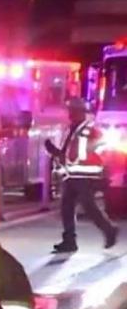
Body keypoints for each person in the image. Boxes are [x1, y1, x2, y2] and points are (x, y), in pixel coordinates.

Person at [45, 97, 118, 253]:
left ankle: (109, 230)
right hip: (72, 175)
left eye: (73, 111)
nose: (70, 114)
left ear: (81, 112)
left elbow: (103, 151)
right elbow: (67, 154)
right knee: (67, 207)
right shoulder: (71, 130)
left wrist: (104, 170)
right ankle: (69, 240)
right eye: (70, 111)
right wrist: (54, 151)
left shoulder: (91, 130)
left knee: (89, 207)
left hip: (86, 176)